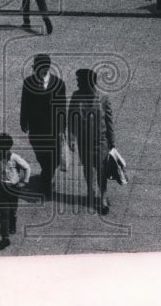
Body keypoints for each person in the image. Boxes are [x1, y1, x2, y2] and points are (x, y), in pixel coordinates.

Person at [68, 68, 115, 215]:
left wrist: (112, 142)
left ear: (87, 82)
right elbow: (71, 118)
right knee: (87, 168)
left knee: (102, 170)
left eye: (79, 81)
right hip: (84, 141)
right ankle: (90, 191)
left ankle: (103, 198)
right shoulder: (76, 96)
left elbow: (109, 121)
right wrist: (71, 138)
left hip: (100, 141)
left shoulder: (103, 98)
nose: (77, 83)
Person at [19, 53, 66, 198]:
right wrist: (23, 121)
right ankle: (46, 178)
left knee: (55, 159)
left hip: (53, 129)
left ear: (47, 68)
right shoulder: (28, 82)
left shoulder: (58, 84)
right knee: (41, 156)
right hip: (36, 128)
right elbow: (24, 103)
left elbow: (62, 107)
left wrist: (62, 128)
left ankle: (45, 182)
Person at [0, 133, 30, 251]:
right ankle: (5, 238)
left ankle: (12, 224)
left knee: (13, 209)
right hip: (1, 189)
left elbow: (27, 168)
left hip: (14, 188)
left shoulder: (15, 158)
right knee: (3, 214)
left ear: (6, 148)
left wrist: (24, 182)